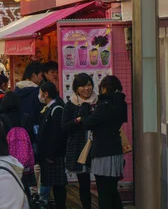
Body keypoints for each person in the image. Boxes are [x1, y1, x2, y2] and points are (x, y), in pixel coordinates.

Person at [77, 76, 126, 209]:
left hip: (103, 153)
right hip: (115, 151)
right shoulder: (120, 103)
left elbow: (87, 124)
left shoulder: (105, 105)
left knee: (103, 191)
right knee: (112, 190)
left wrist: (84, 110)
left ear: (104, 88)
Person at [62, 73, 96, 209]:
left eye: (89, 85)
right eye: (83, 85)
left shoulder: (98, 102)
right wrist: (78, 119)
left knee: (100, 178)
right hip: (78, 147)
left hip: (97, 147)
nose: (87, 88)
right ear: (76, 88)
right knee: (84, 182)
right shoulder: (70, 105)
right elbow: (64, 127)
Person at [0, 91, 37, 199]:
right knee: (25, 186)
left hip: (7, 158)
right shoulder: (26, 117)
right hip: (24, 159)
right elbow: (32, 138)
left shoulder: (1, 118)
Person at [37, 82, 67, 209]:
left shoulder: (56, 109)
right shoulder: (49, 108)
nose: (39, 95)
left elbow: (56, 134)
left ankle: (61, 206)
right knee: (53, 182)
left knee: (58, 184)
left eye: (40, 92)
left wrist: (51, 154)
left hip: (54, 155)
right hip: (48, 154)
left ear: (46, 94)